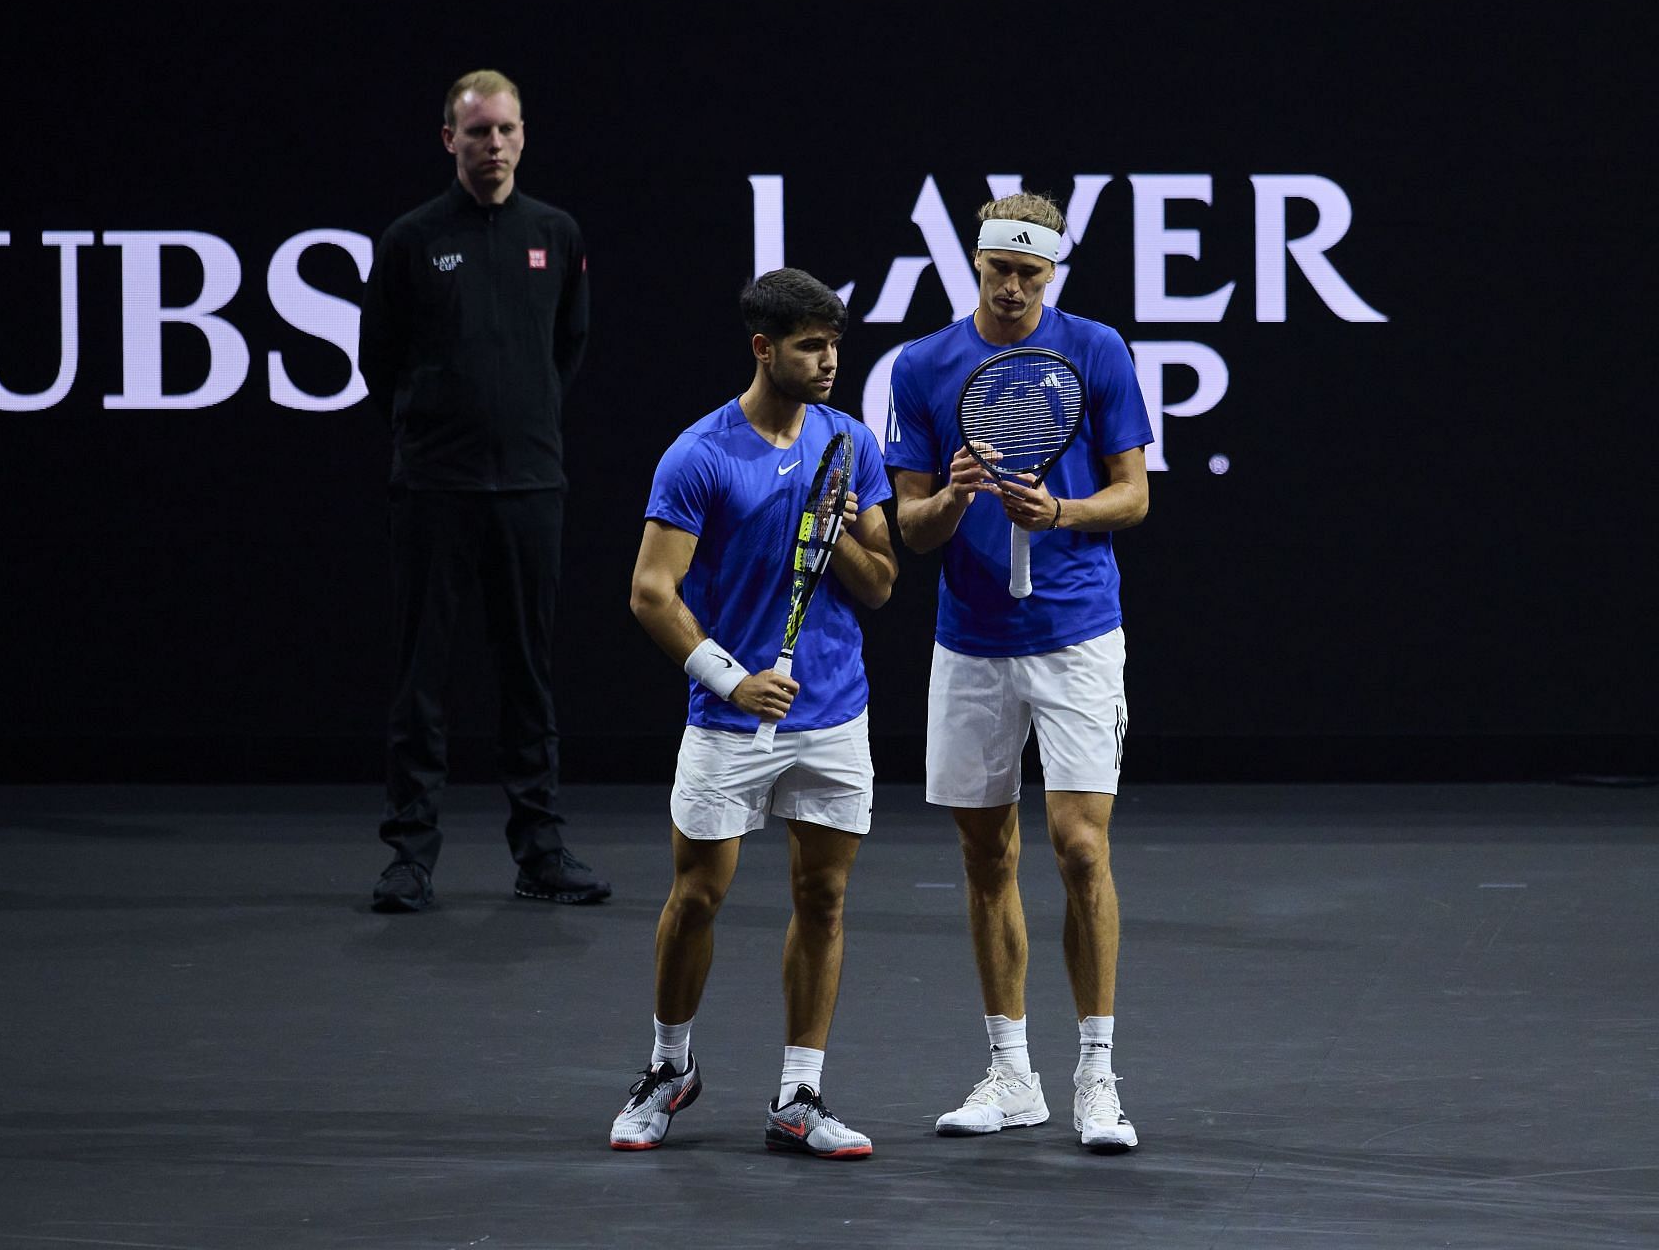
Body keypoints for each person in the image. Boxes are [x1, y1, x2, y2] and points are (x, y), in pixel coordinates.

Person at [885, 192, 1152, 1152]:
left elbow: (1134, 495)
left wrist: (1061, 514)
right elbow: (907, 530)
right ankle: (1011, 1071)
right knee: (986, 856)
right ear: (976, 262)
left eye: (1028, 274)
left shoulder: (1099, 350)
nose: (1010, 287)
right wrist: (953, 498)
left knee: (1081, 848)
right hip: (970, 640)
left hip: (1079, 632)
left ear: (1052, 274)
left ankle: (1096, 1075)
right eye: (997, 269)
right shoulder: (921, 367)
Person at [614, 269, 896, 1158]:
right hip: (730, 719)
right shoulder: (699, 454)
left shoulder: (850, 443)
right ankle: (670, 1067)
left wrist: (845, 530)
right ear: (762, 349)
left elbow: (882, 585)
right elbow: (652, 594)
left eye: (835, 345)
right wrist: (730, 678)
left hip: (834, 713)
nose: (829, 362)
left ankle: (798, 1095)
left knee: (823, 896)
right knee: (698, 895)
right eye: (811, 346)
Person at [357, 69, 609, 912]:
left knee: (528, 674)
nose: (492, 145)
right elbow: (379, 363)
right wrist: (440, 428)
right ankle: (409, 857)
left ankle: (541, 850)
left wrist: (520, 423)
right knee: (422, 676)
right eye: (476, 132)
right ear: (449, 141)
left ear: (523, 136)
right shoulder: (411, 240)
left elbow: (565, 348)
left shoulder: (558, 233)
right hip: (434, 487)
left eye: (505, 130)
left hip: (532, 484)